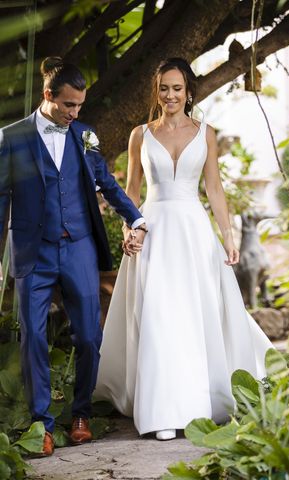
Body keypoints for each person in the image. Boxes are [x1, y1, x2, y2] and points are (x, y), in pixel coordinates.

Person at [94, 58, 273, 441]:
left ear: (189, 91)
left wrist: (228, 235)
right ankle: (161, 412)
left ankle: (194, 405)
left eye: (177, 88)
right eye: (164, 88)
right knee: (158, 314)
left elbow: (214, 188)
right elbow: (132, 192)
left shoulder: (205, 133)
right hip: (154, 231)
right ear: (156, 91)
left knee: (193, 314)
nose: (170, 95)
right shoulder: (139, 134)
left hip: (193, 232)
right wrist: (130, 227)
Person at [0, 57, 147, 456]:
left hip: (79, 246)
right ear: (48, 96)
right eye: (68, 105)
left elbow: (108, 183)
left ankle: (80, 413)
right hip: (33, 249)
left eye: (79, 106)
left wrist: (136, 217)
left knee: (88, 335)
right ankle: (41, 424)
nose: (75, 113)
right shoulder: (10, 137)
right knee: (32, 335)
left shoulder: (84, 135)